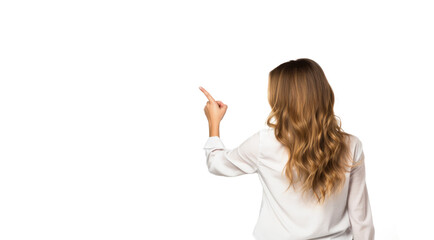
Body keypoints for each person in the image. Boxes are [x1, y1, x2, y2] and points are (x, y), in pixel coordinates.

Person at [199, 58, 375, 240]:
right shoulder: (350, 144)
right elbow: (361, 219)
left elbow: (216, 163)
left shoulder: (264, 143)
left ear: (280, 99)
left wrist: (214, 123)